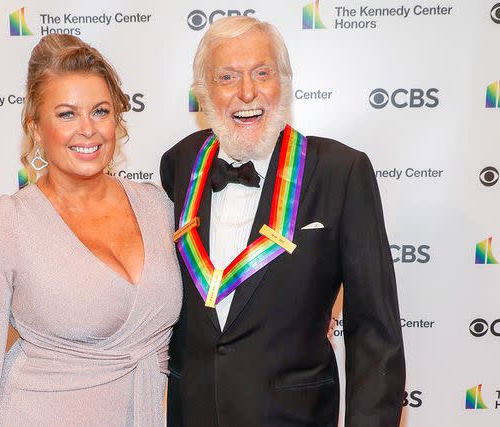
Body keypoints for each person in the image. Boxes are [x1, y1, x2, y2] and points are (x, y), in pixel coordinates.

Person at [160, 16, 405, 427]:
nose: (247, 92)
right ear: (203, 93)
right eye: (226, 77)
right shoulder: (180, 163)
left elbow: (374, 334)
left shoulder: (341, 172)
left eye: (262, 72)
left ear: (284, 82)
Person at [0, 34, 182, 427]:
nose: (88, 129)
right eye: (66, 114)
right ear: (36, 129)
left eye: (100, 111)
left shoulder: (158, 206)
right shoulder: (6, 224)